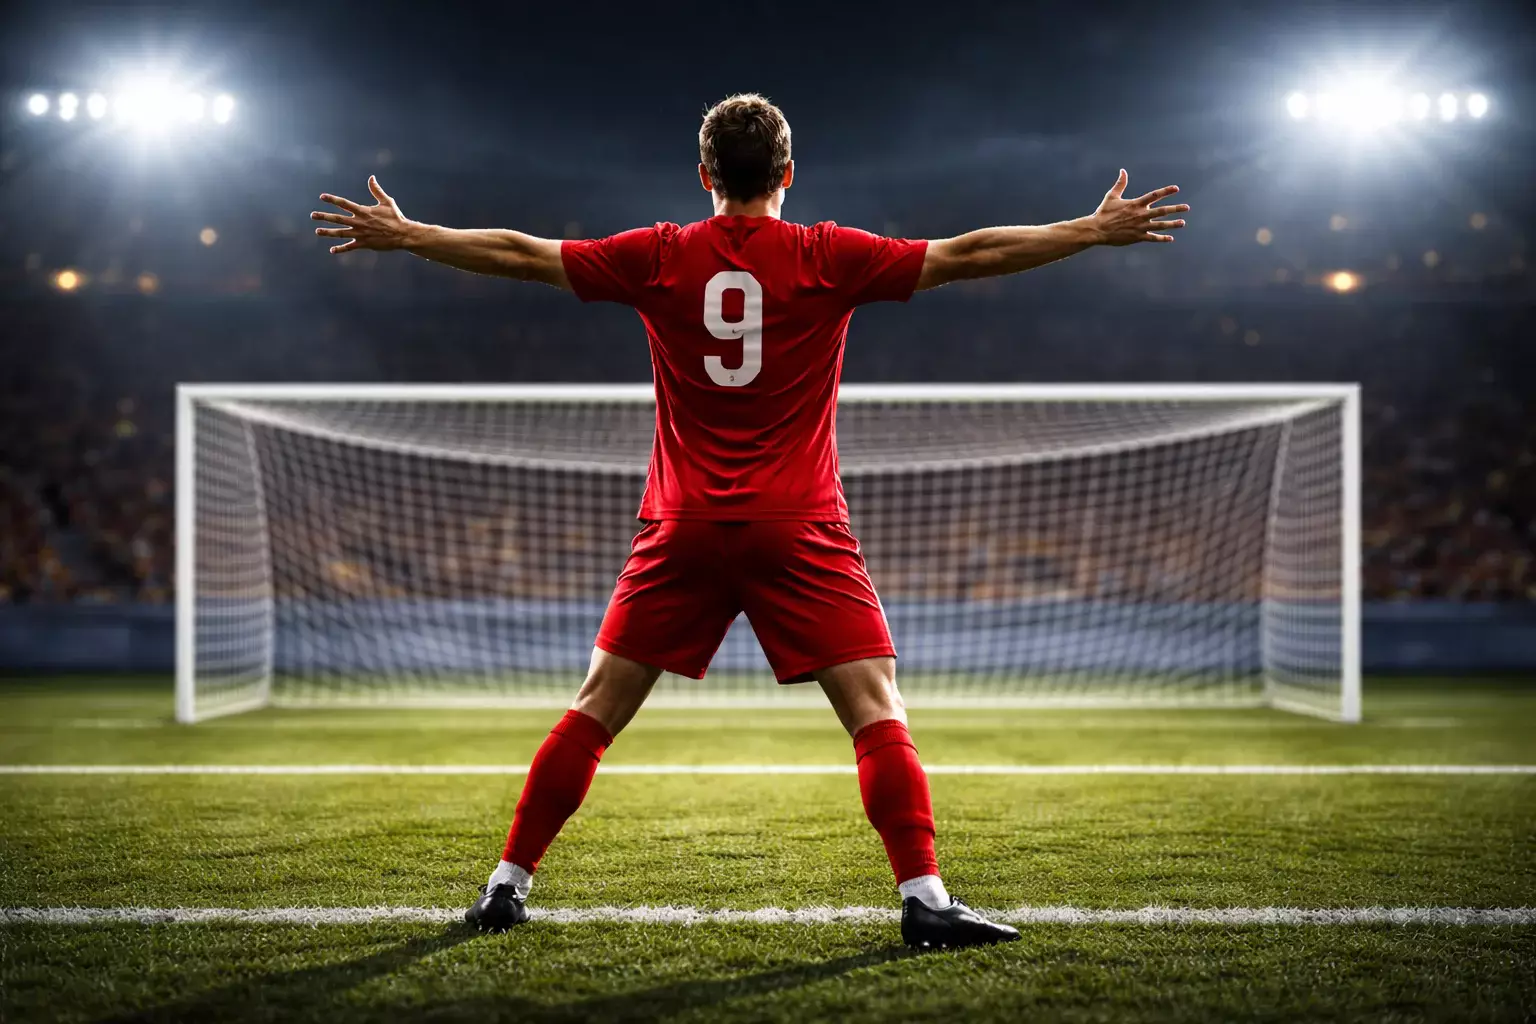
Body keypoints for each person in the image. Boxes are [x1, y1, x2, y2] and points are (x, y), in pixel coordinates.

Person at [312, 93, 1188, 949]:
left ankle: (507, 884)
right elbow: (966, 253)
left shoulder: (658, 254)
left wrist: (409, 234)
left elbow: (521, 252)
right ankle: (924, 897)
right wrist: (1088, 229)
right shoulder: (825, 254)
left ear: (704, 177)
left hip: (683, 519)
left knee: (595, 708)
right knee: (876, 711)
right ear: (788, 175)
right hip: (798, 520)